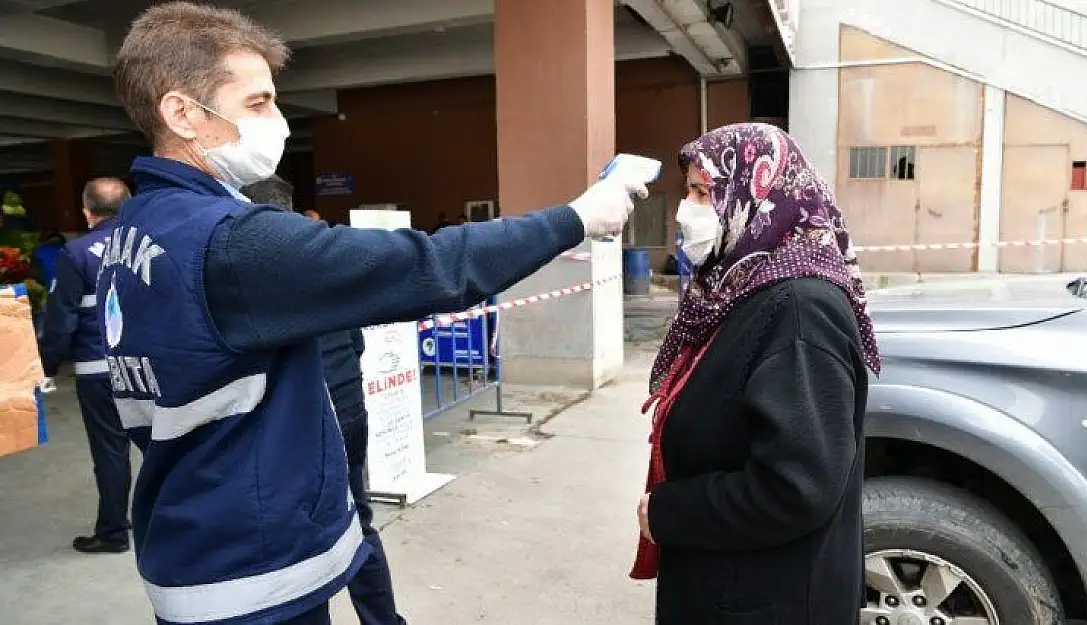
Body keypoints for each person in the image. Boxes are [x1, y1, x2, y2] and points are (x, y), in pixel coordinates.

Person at [103, 3, 645, 625]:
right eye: (257, 104)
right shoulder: (227, 242)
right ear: (181, 113)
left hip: (192, 533)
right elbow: (434, 265)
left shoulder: (137, 229)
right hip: (251, 569)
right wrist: (576, 217)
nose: (277, 122)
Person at [629, 123, 880, 625]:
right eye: (690, 193)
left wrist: (670, 512)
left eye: (705, 193)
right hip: (733, 583)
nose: (687, 211)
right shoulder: (739, 287)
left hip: (768, 599)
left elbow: (796, 488)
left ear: (758, 196)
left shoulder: (800, 310)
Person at [242, 176, 402, 625]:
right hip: (349, 406)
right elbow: (356, 341)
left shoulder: (251, 264)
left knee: (303, 538)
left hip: (304, 420)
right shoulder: (323, 253)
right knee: (360, 520)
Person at [38, 177, 135, 554]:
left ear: (86, 211)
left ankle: (113, 533)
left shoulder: (76, 253)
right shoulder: (149, 247)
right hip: (151, 366)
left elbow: (61, 319)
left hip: (99, 370)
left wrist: (45, 368)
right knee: (165, 444)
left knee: (111, 452)